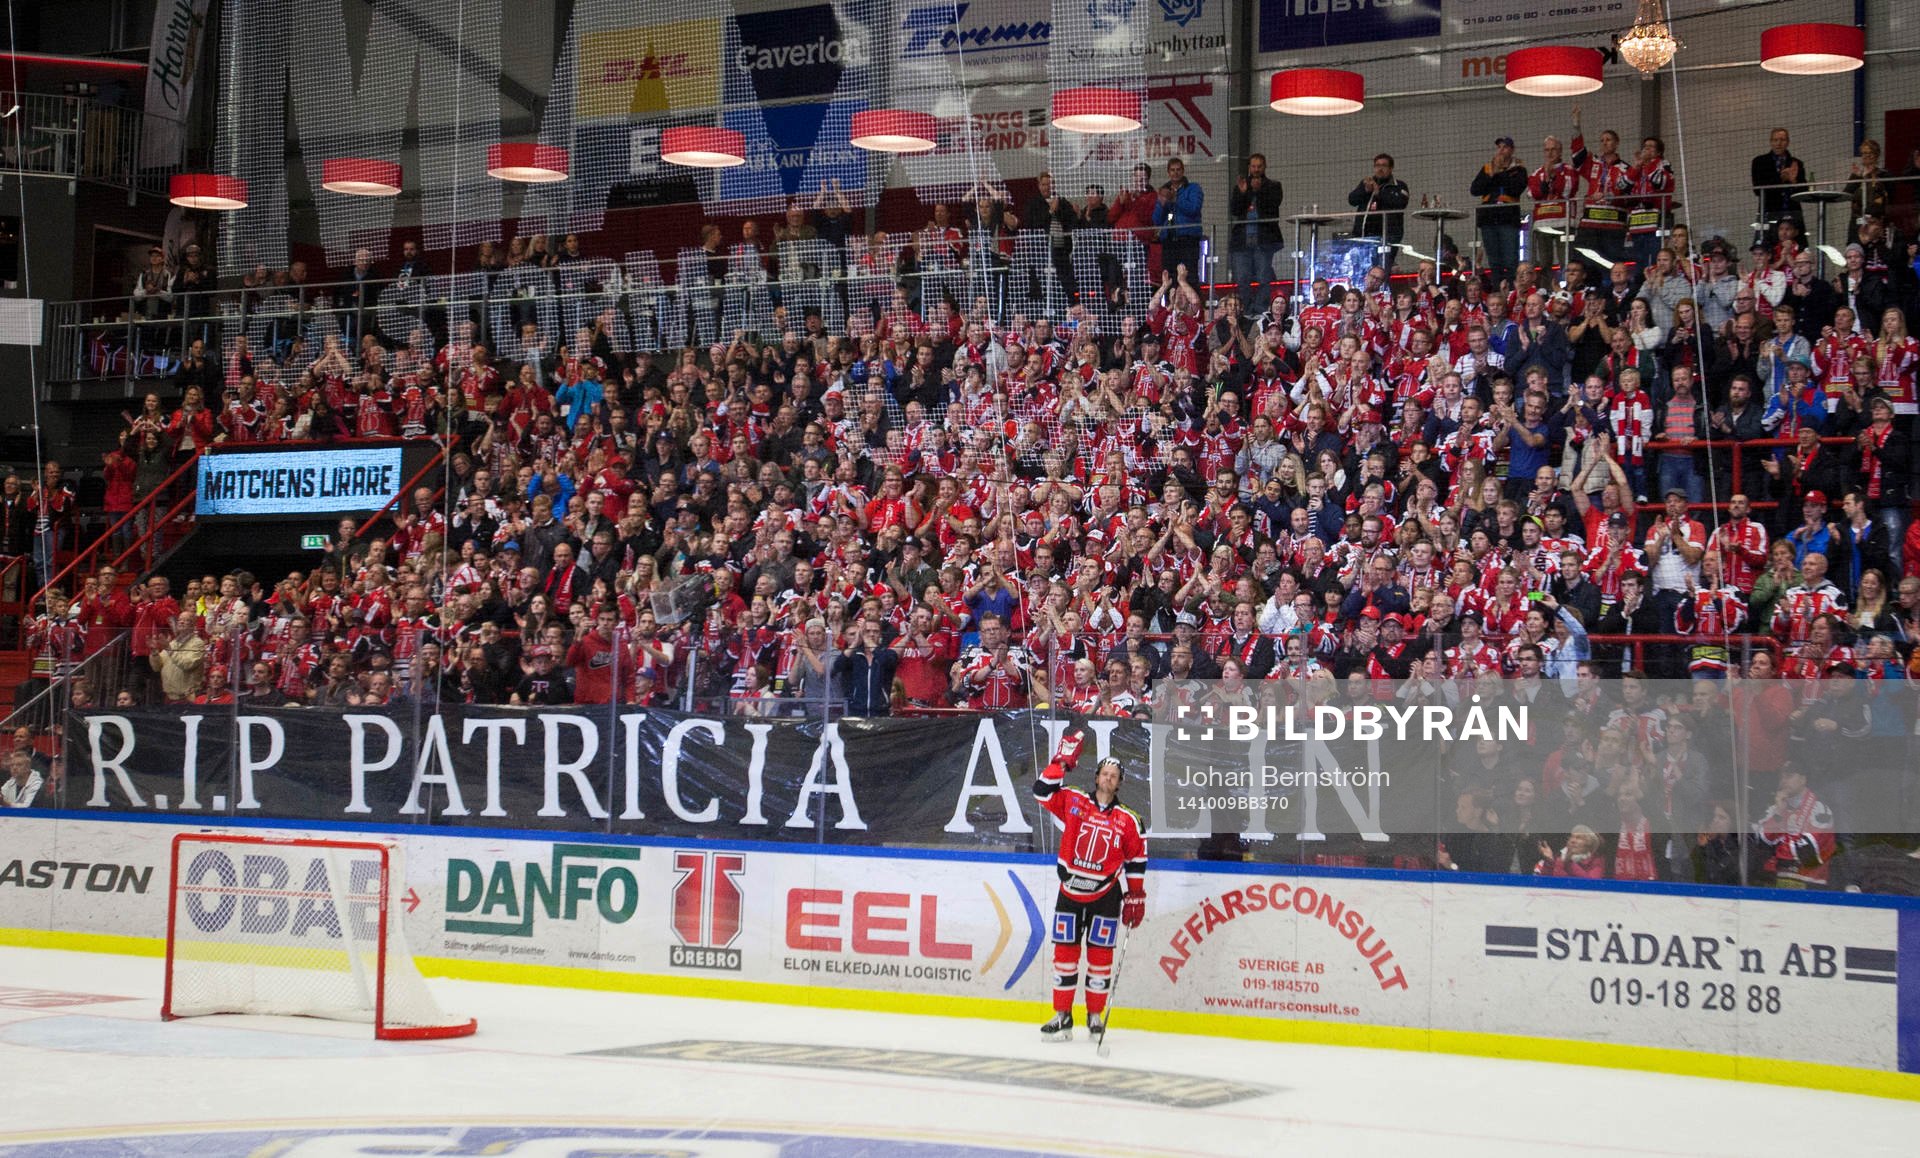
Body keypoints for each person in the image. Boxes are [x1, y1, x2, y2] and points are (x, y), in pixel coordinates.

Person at [1033, 731, 1147, 1042]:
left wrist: (1135, 896)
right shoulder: (1073, 800)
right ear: (1096, 777)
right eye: (1104, 773)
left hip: (1106, 896)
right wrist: (1060, 763)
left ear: (1120, 783)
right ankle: (1062, 1015)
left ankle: (1095, 1017)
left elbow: (1136, 859)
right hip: (1070, 893)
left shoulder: (1129, 820)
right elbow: (1041, 791)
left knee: (1100, 958)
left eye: (1114, 776)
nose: (1108, 779)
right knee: (1065, 957)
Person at [1228, 154, 1284, 308]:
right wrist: (1244, 193)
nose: (1256, 169)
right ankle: (1244, 310)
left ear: (1264, 167)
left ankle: (1261, 309)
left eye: (1259, 166)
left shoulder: (1274, 186)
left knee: (1263, 277)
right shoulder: (1240, 186)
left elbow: (1272, 206)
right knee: (1241, 278)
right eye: (1253, 166)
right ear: (1249, 168)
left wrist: (1258, 191)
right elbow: (1235, 210)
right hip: (1242, 241)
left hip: (1264, 241)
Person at [1471, 136, 1528, 285]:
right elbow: (1475, 189)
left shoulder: (1519, 168)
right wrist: (1492, 173)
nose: (1501, 150)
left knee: (1510, 261)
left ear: (1512, 150)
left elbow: (1516, 188)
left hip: (1508, 219)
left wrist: (1498, 174)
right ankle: (1497, 293)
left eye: (1505, 147)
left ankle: (1510, 293)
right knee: (1494, 263)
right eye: (1499, 147)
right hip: (1488, 219)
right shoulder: (1488, 167)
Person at [1348, 153, 1410, 264]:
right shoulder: (1367, 184)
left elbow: (1400, 203)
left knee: (1383, 268)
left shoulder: (1399, 186)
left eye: (1384, 165)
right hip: (1363, 236)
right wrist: (1365, 191)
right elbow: (1352, 200)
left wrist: (1378, 193)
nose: (1380, 169)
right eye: (1377, 165)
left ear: (1391, 168)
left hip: (1388, 237)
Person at [1154, 157, 1205, 285]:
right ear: (1168, 172)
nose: (1175, 173)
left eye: (1178, 170)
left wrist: (1175, 199)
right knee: (1169, 277)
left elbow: (1194, 209)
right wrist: (1162, 203)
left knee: (1189, 275)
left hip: (1188, 240)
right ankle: (1171, 303)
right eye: (1172, 170)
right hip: (1169, 242)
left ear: (1183, 171)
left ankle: (1193, 304)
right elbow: (1157, 220)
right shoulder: (1164, 191)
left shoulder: (1193, 188)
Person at [1751, 127, 1808, 230]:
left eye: (1782, 140)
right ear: (1770, 142)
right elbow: (1757, 190)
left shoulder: (1796, 163)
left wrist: (1794, 181)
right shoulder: (1759, 162)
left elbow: (1804, 191)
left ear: (1788, 142)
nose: (1778, 143)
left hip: (1792, 213)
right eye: (1775, 140)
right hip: (1768, 212)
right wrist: (1781, 178)